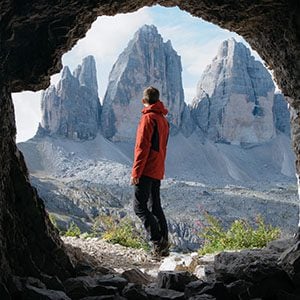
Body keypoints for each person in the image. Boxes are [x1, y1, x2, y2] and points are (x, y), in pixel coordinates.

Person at [130, 86, 170, 257]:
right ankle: (164, 245)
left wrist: (136, 173)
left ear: (144, 100)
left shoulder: (148, 119)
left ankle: (157, 242)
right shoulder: (163, 119)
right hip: (157, 167)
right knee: (155, 207)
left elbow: (142, 147)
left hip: (146, 168)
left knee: (139, 207)